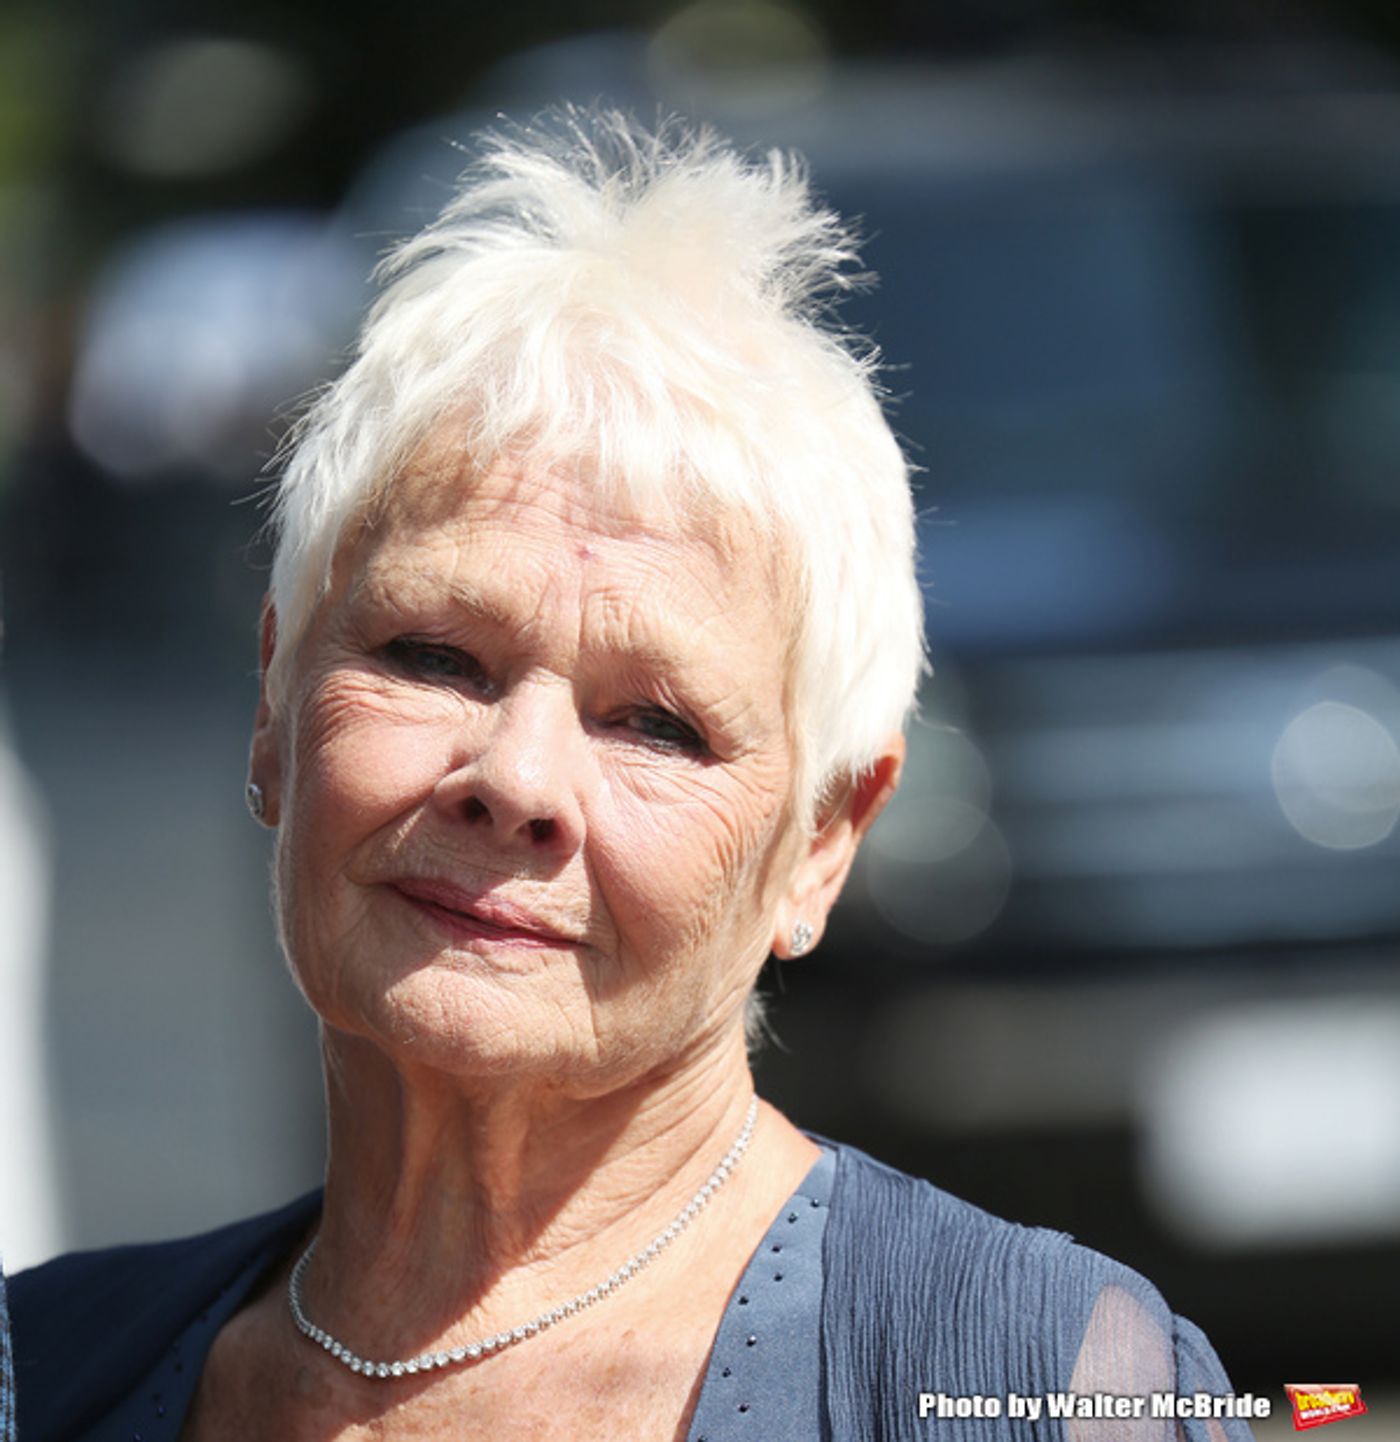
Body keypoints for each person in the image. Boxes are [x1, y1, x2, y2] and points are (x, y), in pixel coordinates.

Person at [9, 110, 1252, 1441]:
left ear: (823, 840)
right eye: (433, 654)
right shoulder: (47, 1369)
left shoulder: (1041, 1381)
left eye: (658, 724)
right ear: (273, 703)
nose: (517, 777)